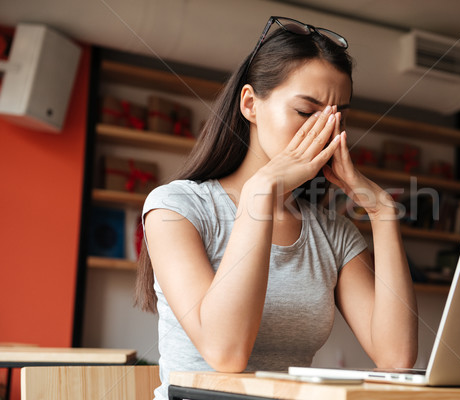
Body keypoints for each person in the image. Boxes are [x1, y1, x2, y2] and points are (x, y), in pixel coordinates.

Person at [135, 16, 417, 399]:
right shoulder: (176, 207)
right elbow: (226, 353)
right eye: (305, 112)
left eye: (338, 118)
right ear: (250, 104)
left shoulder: (332, 232)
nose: (323, 133)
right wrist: (260, 192)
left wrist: (382, 213)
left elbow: (396, 358)